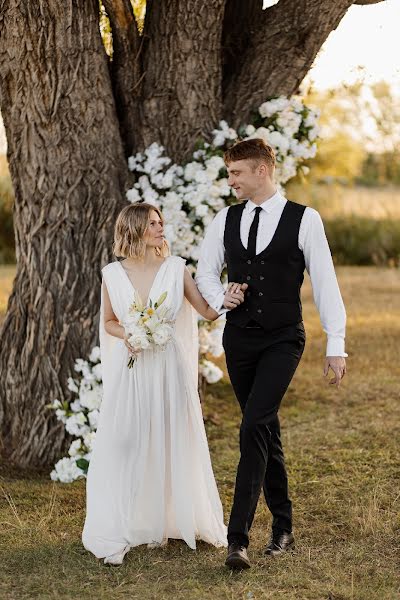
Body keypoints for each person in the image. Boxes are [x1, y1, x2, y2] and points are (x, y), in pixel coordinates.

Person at [195, 138, 348, 570]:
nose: (232, 182)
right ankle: (283, 527)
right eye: (230, 174)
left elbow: (325, 281)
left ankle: (237, 539)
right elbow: (205, 270)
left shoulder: (305, 219)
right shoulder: (225, 219)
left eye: (237, 173)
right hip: (239, 339)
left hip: (283, 339)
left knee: (252, 426)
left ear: (262, 170)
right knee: (263, 429)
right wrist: (221, 296)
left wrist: (336, 345)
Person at [82, 202, 244, 565]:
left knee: (172, 437)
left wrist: (228, 301)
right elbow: (108, 321)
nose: (160, 228)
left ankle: (175, 518)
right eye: (153, 223)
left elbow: (205, 309)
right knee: (127, 439)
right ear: (135, 229)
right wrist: (129, 333)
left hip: (169, 368)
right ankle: (127, 519)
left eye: (160, 222)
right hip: (133, 368)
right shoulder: (112, 273)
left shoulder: (175, 269)